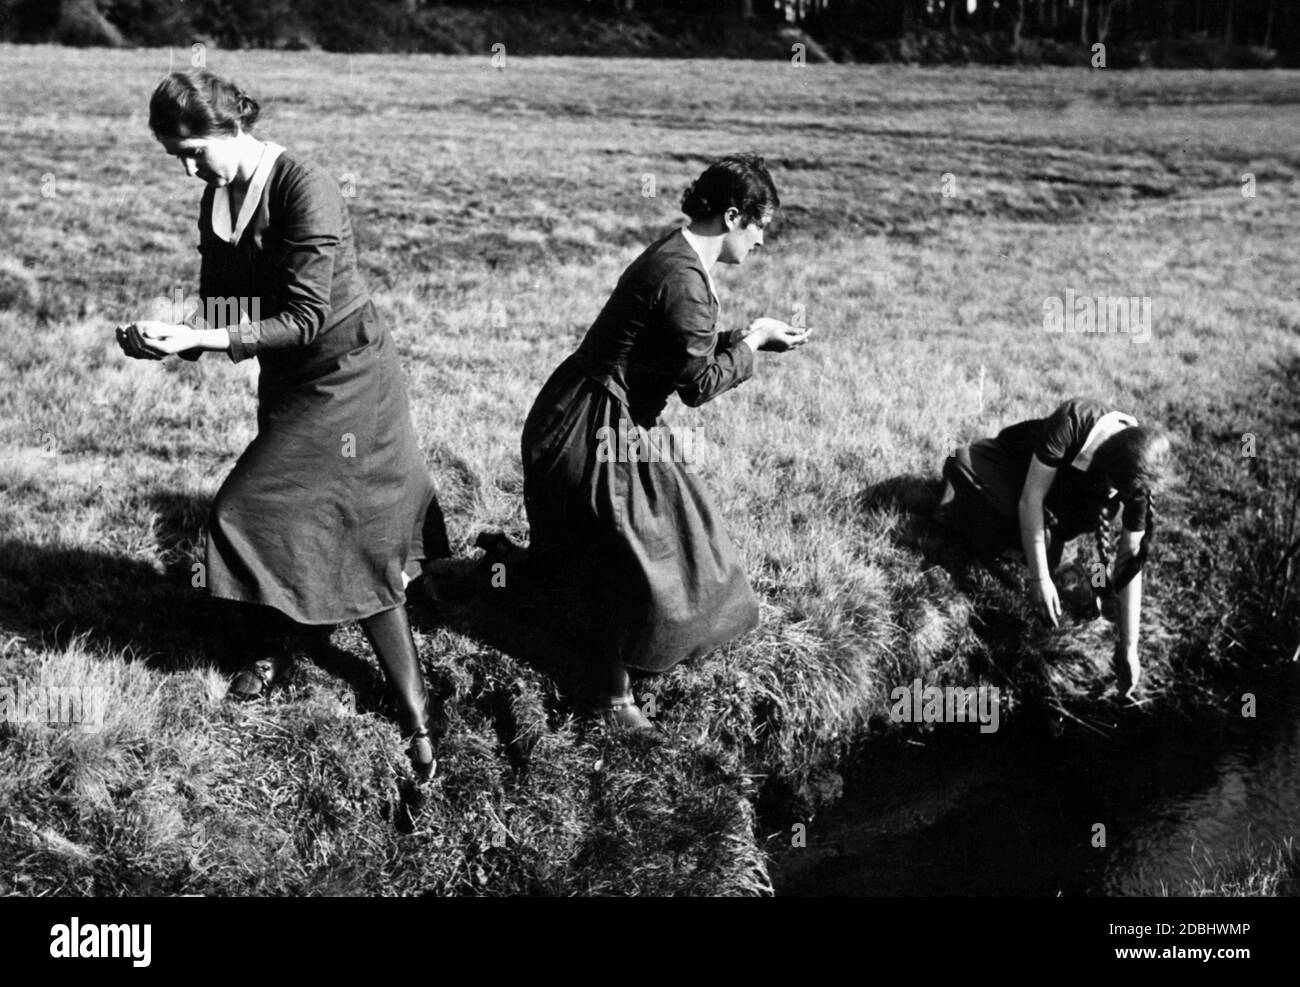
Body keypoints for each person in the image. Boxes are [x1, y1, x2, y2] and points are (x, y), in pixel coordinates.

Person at [115, 70, 448, 779]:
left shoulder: (304, 186)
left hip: (348, 377)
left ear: (231, 129)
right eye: (175, 155)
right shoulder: (216, 199)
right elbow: (228, 311)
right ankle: (275, 648)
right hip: (290, 381)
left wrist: (203, 339)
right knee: (286, 516)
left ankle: (417, 713)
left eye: (193, 151)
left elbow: (303, 317)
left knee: (277, 515)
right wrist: (170, 337)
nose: (186, 168)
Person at [513, 153, 809, 730]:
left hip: (590, 410)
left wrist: (748, 337)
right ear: (731, 217)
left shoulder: (677, 256)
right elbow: (697, 384)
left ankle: (612, 649)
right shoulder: (684, 278)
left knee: (684, 529)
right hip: (589, 428)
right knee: (646, 543)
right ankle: (608, 695)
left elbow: (673, 353)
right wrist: (753, 345)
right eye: (761, 226)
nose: (763, 241)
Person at [936, 396, 1172, 698]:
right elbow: (1030, 499)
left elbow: (1129, 561)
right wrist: (1039, 578)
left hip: (1056, 512)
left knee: (1088, 604)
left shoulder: (1137, 476)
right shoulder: (1073, 420)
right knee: (968, 476)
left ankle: (1054, 555)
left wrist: (1129, 647)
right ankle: (1035, 549)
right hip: (1010, 471)